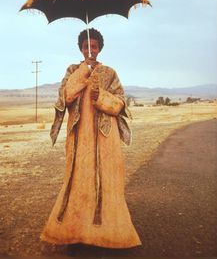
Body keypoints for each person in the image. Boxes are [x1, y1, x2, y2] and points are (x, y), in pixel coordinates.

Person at [40, 28, 141, 248]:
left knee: (108, 180)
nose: (90, 50)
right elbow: (65, 96)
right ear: (80, 48)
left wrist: (101, 97)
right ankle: (75, 232)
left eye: (94, 46)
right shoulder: (72, 70)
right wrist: (83, 73)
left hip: (106, 138)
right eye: (86, 46)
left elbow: (121, 103)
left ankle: (112, 235)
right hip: (79, 138)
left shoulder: (110, 73)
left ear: (100, 48)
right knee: (78, 180)